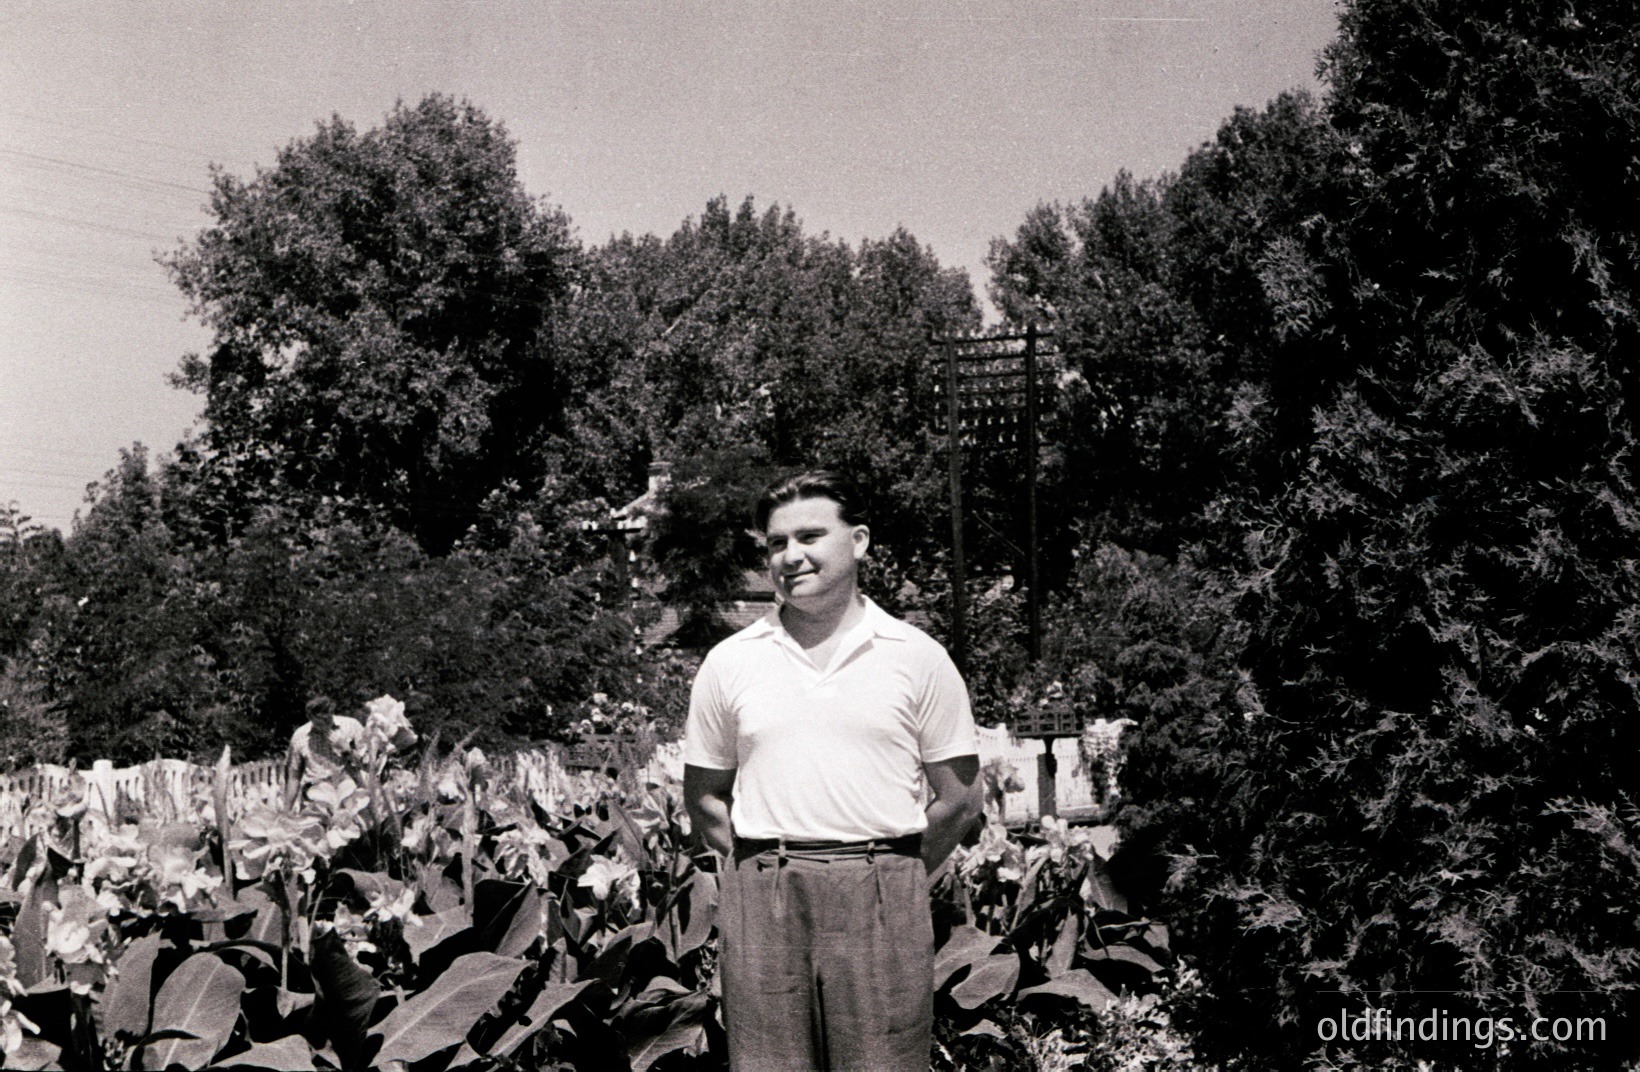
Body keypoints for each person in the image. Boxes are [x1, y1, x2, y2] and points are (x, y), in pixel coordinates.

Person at [683, 470, 982, 1071]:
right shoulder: (730, 662)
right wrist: (756, 873)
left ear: (860, 541)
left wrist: (888, 873)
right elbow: (705, 799)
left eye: (811, 536)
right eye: (776, 543)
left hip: (882, 889)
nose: (791, 556)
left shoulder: (917, 657)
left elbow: (960, 799)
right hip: (766, 891)